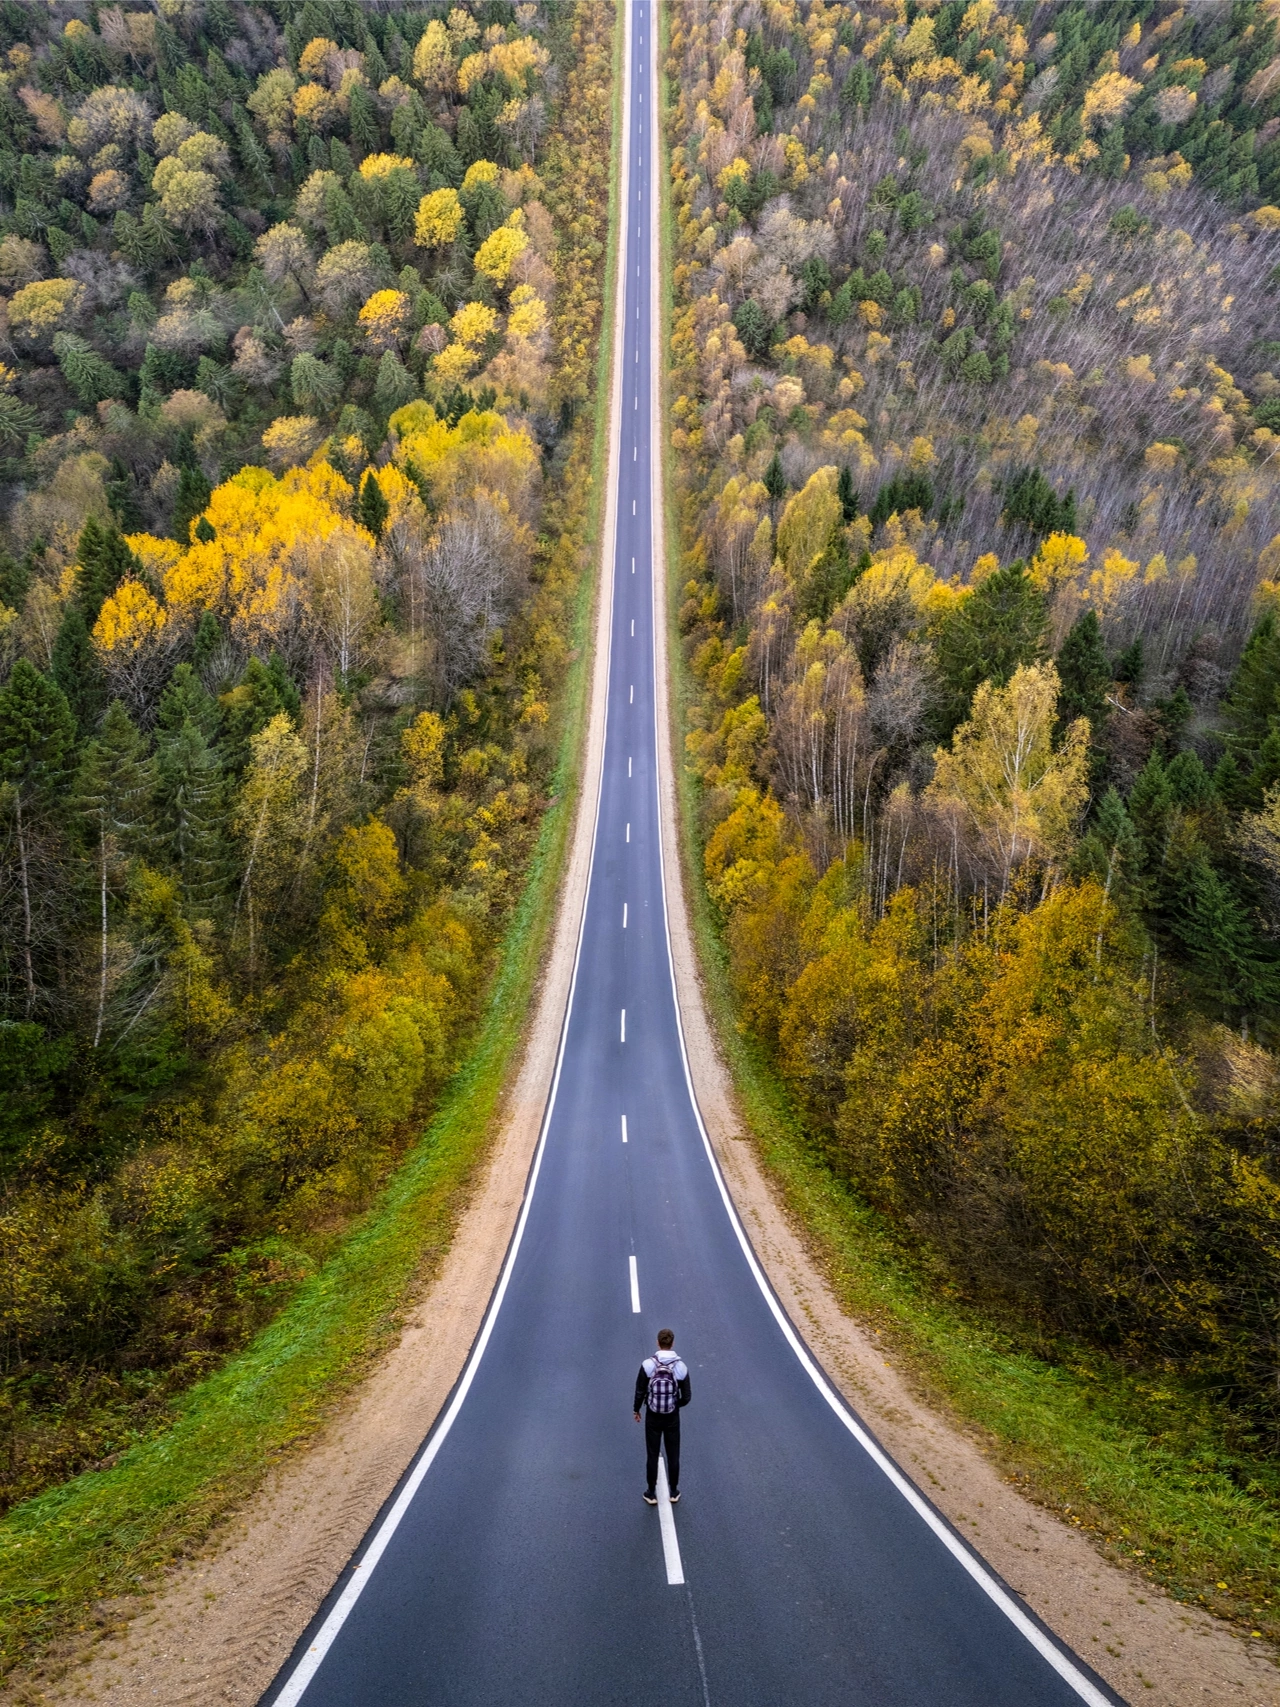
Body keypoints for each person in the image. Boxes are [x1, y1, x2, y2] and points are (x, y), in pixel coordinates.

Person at [633, 1328, 690, 1505]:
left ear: (658, 1343)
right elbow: (687, 1397)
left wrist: (637, 1410)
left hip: (653, 1416)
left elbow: (640, 1391)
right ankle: (673, 1491)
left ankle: (651, 1492)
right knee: (673, 1454)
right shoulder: (680, 1367)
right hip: (672, 1416)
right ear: (672, 1343)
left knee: (652, 1453)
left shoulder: (648, 1365)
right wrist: (674, 1405)